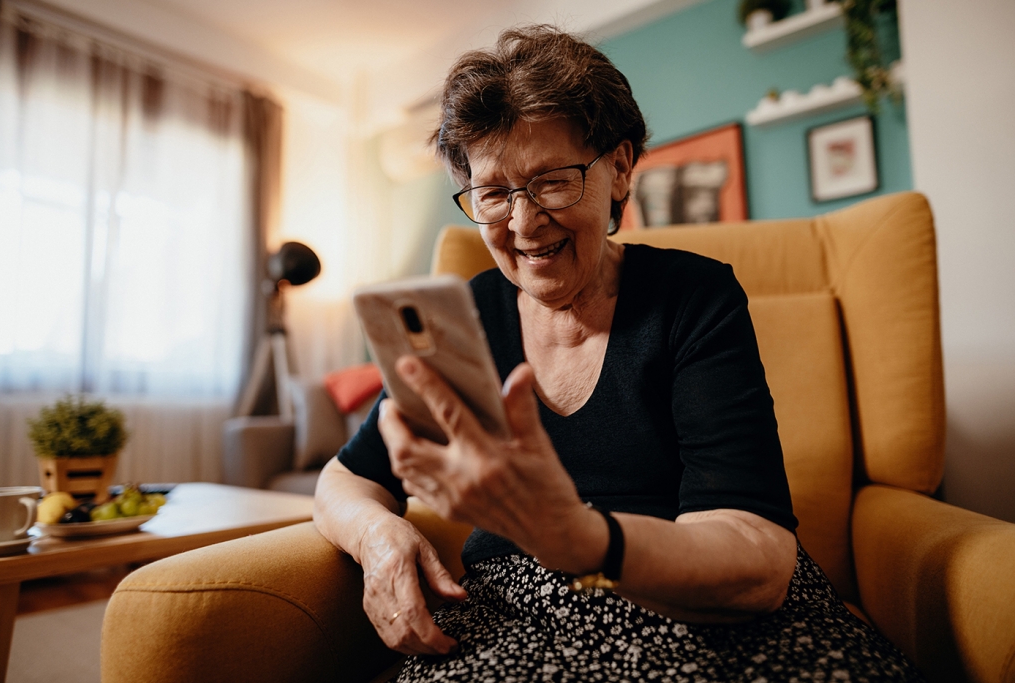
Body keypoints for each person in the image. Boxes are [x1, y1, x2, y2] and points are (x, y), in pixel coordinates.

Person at [313, 25, 924, 682]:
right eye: (492, 192)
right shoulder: (464, 321)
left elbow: (760, 560)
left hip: (699, 606)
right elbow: (343, 481)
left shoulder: (692, 297)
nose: (523, 222)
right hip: (519, 612)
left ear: (621, 167)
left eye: (552, 181)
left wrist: (576, 539)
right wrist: (378, 537)